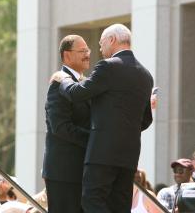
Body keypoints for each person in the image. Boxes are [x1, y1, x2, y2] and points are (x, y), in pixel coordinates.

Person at [52, 23, 153, 213]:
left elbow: (76, 93)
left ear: (112, 40)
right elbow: (146, 120)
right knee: (120, 205)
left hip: (102, 154)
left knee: (92, 200)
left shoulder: (108, 67)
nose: (99, 49)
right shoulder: (146, 75)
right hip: (130, 154)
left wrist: (63, 79)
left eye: (100, 44)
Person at [42, 34, 91, 213]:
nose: (87, 54)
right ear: (67, 55)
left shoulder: (85, 84)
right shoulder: (58, 84)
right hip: (63, 173)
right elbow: (61, 128)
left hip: (82, 172)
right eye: (82, 51)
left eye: (88, 50)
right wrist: (94, 140)